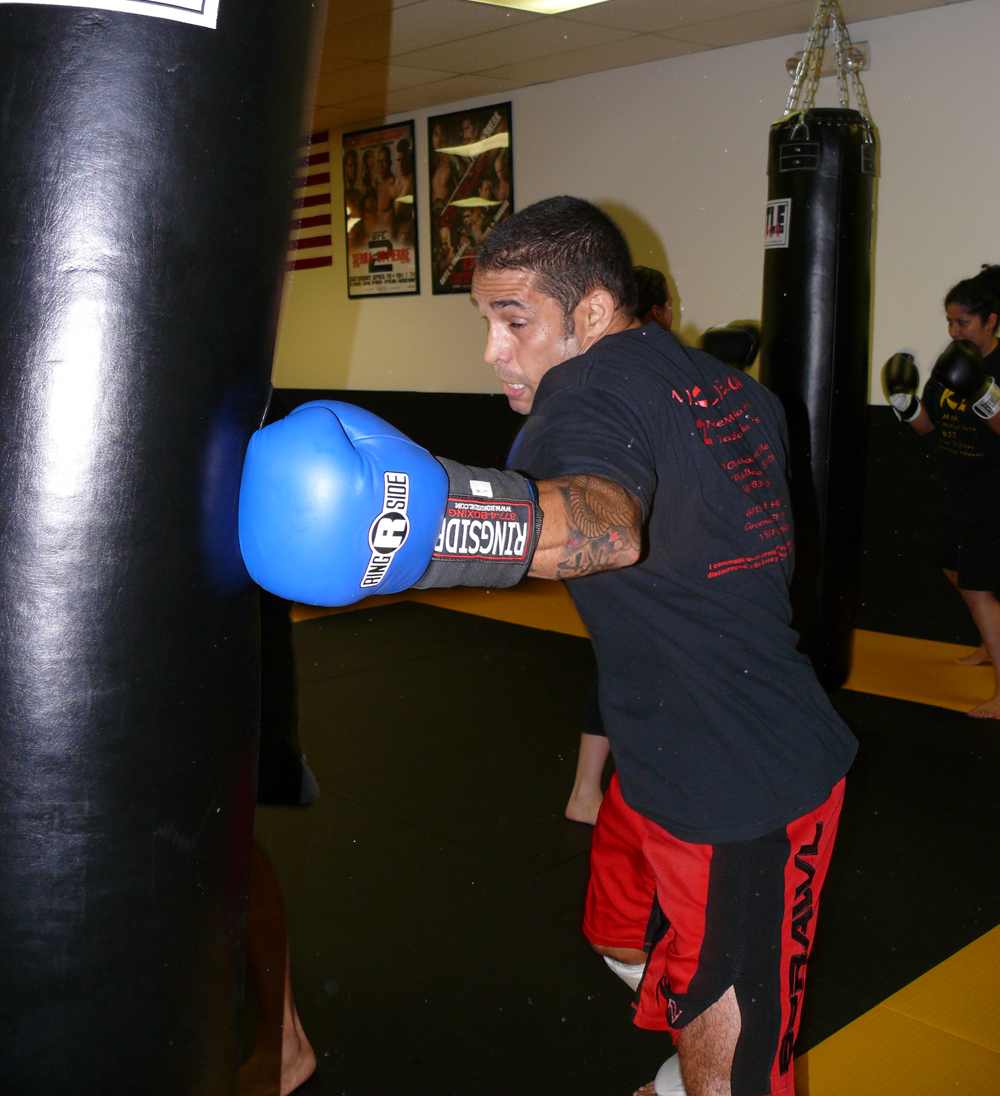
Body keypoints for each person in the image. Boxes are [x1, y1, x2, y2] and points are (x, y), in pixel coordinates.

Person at [240, 198, 857, 1096]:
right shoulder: (738, 391)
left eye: (515, 320)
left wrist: (421, 525)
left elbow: (610, 524)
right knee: (618, 932)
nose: (494, 351)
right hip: (661, 753)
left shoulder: (585, 391)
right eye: (485, 321)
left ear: (593, 312)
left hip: (744, 786)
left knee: (736, 1067)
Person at [565, 265, 673, 826]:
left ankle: (592, 789)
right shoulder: (636, 374)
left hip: (608, 536)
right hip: (616, 538)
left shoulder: (596, 372)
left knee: (621, 661)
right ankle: (587, 792)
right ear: (655, 312)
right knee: (624, 663)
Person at [882, 264, 1000, 719]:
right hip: (958, 489)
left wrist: (983, 392)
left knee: (977, 589)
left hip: (993, 493)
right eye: (949, 321)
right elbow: (927, 427)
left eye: (963, 322)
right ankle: (989, 644)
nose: (953, 331)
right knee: (952, 566)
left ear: (990, 321)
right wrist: (903, 401)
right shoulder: (949, 361)